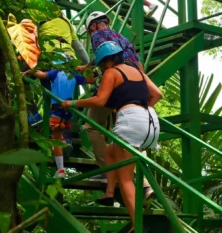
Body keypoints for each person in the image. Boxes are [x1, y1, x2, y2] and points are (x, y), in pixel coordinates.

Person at [62, 41, 162, 232]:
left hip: (130, 122)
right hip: (151, 122)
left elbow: (100, 100)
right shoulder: (138, 71)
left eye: (100, 65)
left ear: (107, 62)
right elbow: (157, 94)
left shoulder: (111, 72)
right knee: (110, 152)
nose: (101, 68)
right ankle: (109, 192)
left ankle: (137, 225)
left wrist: (73, 103)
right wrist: (142, 110)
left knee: (125, 179)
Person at [25, 54, 95, 178]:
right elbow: (91, 80)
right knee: (59, 133)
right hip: (68, 112)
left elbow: (42, 75)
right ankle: (64, 141)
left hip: (56, 111)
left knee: (55, 139)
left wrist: (29, 71)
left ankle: (61, 170)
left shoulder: (56, 72)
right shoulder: (74, 76)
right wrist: (92, 71)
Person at [38, 0, 89, 65]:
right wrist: (88, 65)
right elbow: (80, 48)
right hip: (68, 57)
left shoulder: (37, 19)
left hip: (47, 57)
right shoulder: (66, 20)